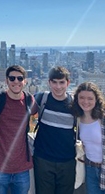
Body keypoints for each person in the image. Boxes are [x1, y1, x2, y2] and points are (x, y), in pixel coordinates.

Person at [0, 65, 37, 194]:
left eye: (20, 78)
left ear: (25, 81)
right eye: (12, 78)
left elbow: (42, 112)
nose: (16, 81)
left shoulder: (28, 100)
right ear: (6, 80)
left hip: (22, 167)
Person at [33, 66, 76, 194]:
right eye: (54, 82)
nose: (58, 87)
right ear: (49, 82)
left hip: (67, 161)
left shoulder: (74, 104)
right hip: (43, 160)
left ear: (68, 83)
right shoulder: (41, 99)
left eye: (62, 82)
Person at [72, 82, 105, 194]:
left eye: (90, 98)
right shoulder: (77, 119)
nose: (85, 102)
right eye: (82, 98)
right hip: (90, 170)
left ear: (96, 100)